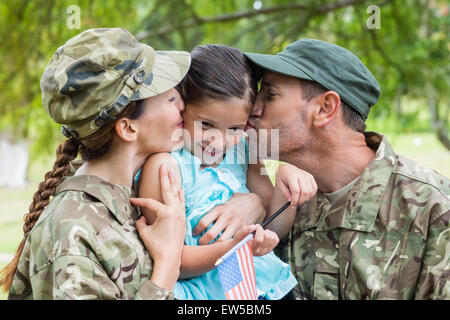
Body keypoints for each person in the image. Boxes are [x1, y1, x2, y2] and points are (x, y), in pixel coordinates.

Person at [242, 38, 450, 300]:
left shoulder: (435, 210)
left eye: (270, 94)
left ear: (325, 108)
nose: (252, 109)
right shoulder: (281, 201)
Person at [0, 27, 192, 299]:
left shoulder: (133, 194)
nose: (183, 105)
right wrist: (167, 266)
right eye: (171, 98)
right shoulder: (70, 232)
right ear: (128, 129)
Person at [136, 44, 317, 300]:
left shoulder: (243, 150)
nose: (218, 143)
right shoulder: (165, 168)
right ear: (182, 106)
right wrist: (234, 248)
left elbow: (275, 226)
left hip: (263, 287)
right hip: (209, 294)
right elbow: (172, 261)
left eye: (234, 128)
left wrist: (285, 183)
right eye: (207, 124)